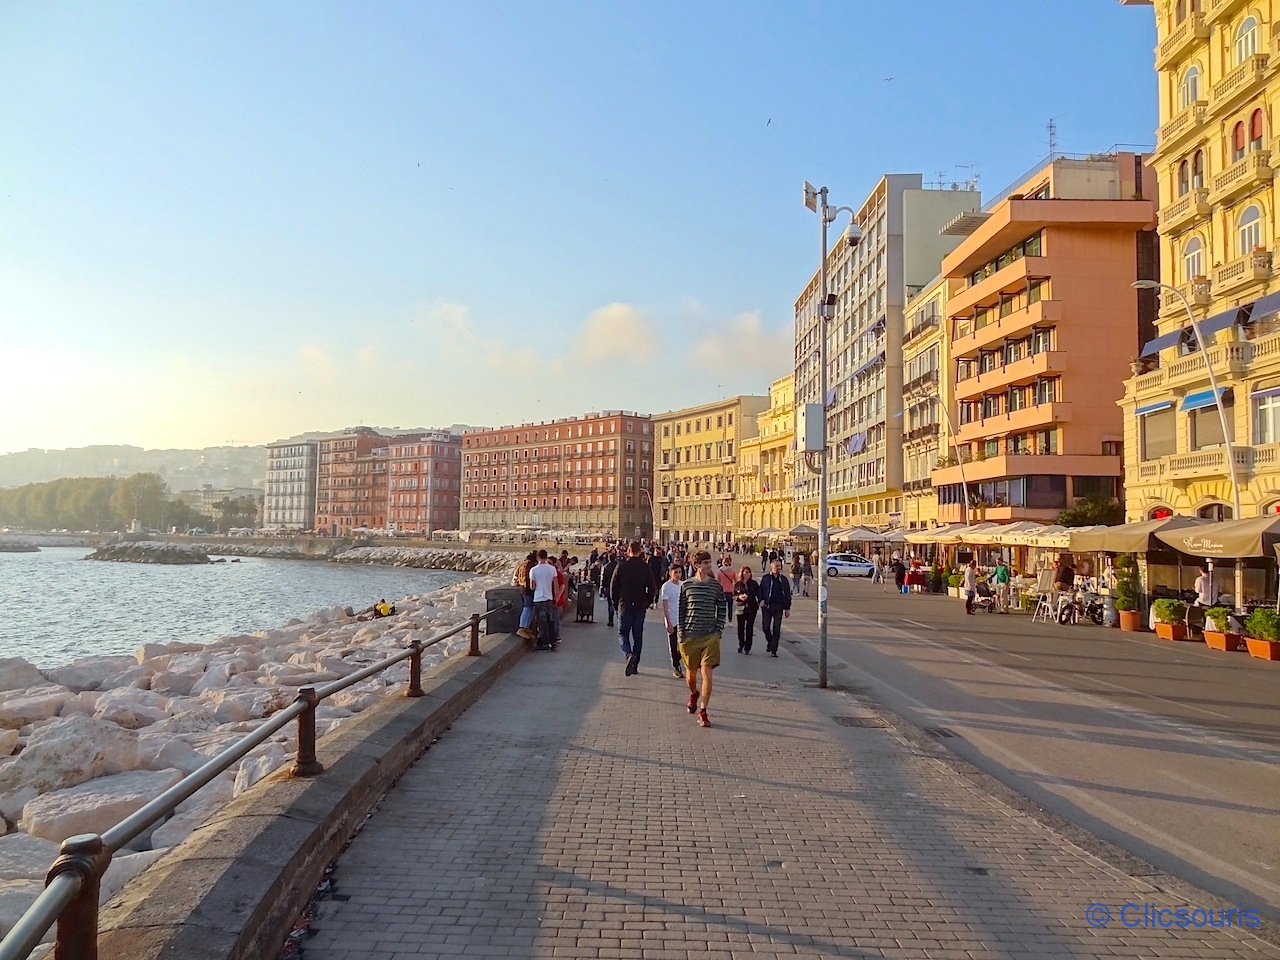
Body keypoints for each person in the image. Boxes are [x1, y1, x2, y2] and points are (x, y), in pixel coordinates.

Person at [678, 551, 727, 728]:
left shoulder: (715, 586)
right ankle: (694, 693)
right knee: (690, 676)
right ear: (697, 565)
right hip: (690, 636)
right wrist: (681, 635)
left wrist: (718, 630)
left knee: (707, 673)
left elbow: (722, 608)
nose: (709, 565)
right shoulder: (686, 585)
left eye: (709, 562)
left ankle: (703, 711)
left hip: (710, 637)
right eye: (705, 562)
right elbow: (681, 611)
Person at [610, 540, 657, 676]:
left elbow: (614, 587)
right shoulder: (645, 567)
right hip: (640, 606)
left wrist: (615, 604)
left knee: (622, 634)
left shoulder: (621, 566)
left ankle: (628, 654)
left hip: (624, 605)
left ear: (628, 551)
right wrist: (647, 602)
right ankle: (635, 665)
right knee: (638, 637)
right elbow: (652, 588)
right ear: (640, 551)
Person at [758, 557, 792, 657]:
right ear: (771, 567)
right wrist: (761, 600)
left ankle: (774, 649)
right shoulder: (766, 578)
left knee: (776, 629)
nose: (778, 568)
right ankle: (771, 642)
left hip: (778, 607)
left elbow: (787, 594)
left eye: (779, 566)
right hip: (767, 606)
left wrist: (787, 608)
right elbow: (761, 590)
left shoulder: (783, 580)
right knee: (765, 627)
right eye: (776, 566)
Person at [528, 550, 559, 651]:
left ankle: (545, 644)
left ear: (538, 557)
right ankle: (553, 641)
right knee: (550, 621)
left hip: (538, 598)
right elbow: (556, 585)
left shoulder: (533, 570)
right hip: (549, 598)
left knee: (542, 623)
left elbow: (532, 586)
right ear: (546, 557)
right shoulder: (552, 569)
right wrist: (556, 597)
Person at [660, 562, 685, 679]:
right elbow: (665, 605)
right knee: (673, 644)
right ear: (670, 573)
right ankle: (676, 666)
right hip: (672, 618)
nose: (678, 574)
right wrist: (668, 621)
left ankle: (679, 659)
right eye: (675, 572)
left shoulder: (683, 585)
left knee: (685, 644)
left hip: (682, 619)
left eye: (679, 572)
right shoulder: (666, 586)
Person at [734, 565, 760, 654]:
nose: (747, 574)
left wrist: (760, 601)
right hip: (741, 607)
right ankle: (741, 644)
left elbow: (758, 594)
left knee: (749, 628)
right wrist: (739, 597)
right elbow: (733, 595)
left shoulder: (754, 583)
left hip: (751, 608)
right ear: (742, 573)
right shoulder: (738, 584)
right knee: (740, 628)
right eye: (745, 572)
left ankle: (747, 647)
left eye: (748, 572)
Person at [514, 551, 537, 641]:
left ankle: (526, 627)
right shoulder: (530, 566)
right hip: (527, 590)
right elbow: (529, 579)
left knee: (529, 608)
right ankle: (522, 627)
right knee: (527, 608)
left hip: (523, 588)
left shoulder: (523, 564)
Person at [600, 549, 619, 627]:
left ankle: (610, 621)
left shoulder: (606, 567)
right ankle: (619, 619)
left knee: (610, 605)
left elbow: (603, 579)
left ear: (608, 558)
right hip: (618, 588)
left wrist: (602, 589)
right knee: (618, 605)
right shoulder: (619, 566)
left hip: (608, 587)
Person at [716, 555, 737, 625]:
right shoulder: (732, 571)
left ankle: (722, 619)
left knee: (722, 607)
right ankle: (730, 620)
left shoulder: (719, 571)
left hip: (722, 591)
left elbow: (717, 582)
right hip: (730, 591)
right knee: (730, 607)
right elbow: (736, 581)